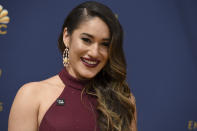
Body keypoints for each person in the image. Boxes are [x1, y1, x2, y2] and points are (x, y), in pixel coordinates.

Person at [8, 1, 137, 131]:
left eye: (105, 44)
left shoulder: (123, 100)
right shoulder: (31, 96)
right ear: (67, 37)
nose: (94, 52)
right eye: (86, 40)